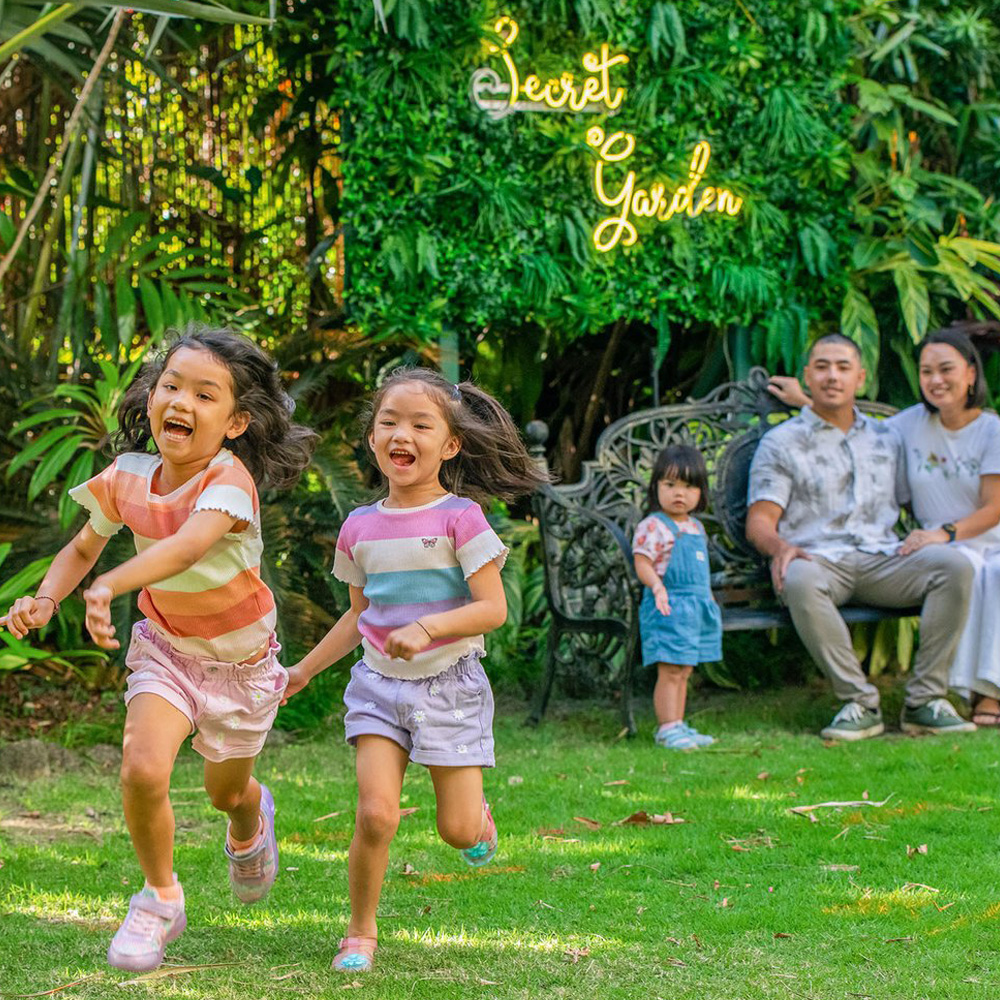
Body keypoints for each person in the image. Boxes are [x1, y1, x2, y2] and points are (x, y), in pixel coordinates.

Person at [0, 328, 316, 971]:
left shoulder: (230, 482)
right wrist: (49, 598)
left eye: (206, 394)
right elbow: (84, 546)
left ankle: (252, 816)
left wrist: (114, 582)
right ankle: (161, 897)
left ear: (236, 422)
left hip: (242, 666)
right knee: (142, 768)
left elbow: (188, 547)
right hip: (167, 649)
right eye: (171, 386)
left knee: (225, 793)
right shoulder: (127, 477)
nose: (182, 401)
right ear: (151, 397)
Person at [282, 367, 547, 974]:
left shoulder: (462, 518)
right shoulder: (358, 527)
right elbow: (358, 618)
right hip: (377, 687)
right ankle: (360, 931)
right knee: (375, 814)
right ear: (372, 439)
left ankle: (477, 817)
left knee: (457, 833)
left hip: (450, 685)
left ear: (449, 445)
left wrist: (427, 628)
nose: (403, 434)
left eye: (421, 425)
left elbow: (493, 609)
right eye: (389, 422)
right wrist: (303, 671)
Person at [746, 333, 975, 741]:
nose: (832, 376)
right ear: (807, 377)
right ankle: (859, 703)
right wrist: (781, 548)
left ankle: (924, 702)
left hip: (884, 558)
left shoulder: (888, 438)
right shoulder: (781, 443)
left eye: (843, 367)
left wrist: (943, 534)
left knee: (954, 565)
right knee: (798, 577)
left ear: (861, 378)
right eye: (822, 366)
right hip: (818, 561)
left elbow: (920, 495)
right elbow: (760, 520)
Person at [632, 444, 721, 749]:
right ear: (656, 486)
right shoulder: (654, 526)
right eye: (670, 485)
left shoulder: (695, 527)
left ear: (700, 492)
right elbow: (642, 561)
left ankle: (679, 723)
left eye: (688, 486)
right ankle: (666, 727)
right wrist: (656, 586)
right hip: (667, 606)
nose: (678, 494)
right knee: (670, 668)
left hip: (694, 609)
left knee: (684, 668)